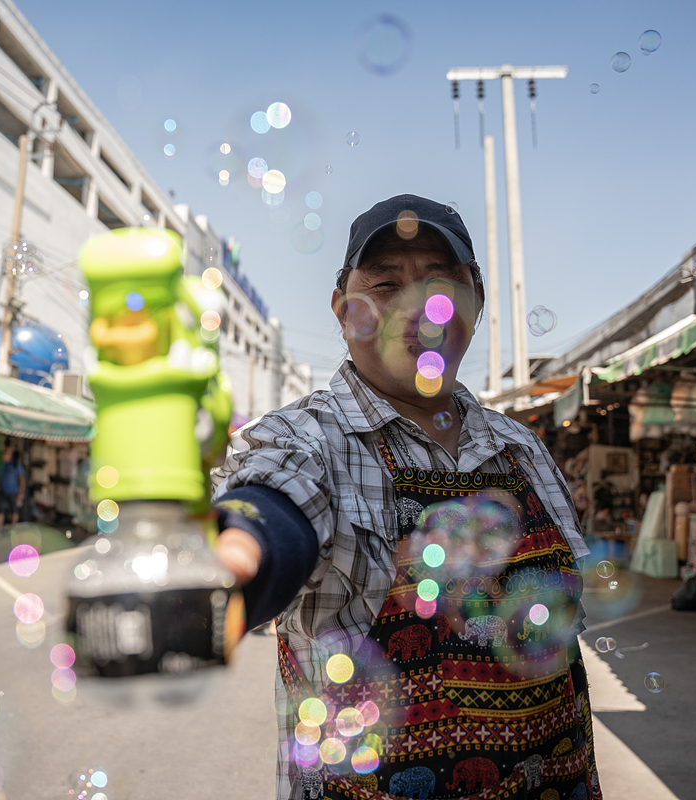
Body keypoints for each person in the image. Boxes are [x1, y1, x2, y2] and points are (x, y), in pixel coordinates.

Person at [212, 195, 599, 800]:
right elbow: (273, 505)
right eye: (387, 284)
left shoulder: (520, 447)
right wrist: (233, 559)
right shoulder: (305, 439)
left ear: (476, 301)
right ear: (344, 311)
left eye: (442, 283)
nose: (416, 307)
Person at [0, 446, 26, 535]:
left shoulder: (16, 465)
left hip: (13, 492)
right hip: (2, 491)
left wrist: (21, 492)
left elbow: (21, 479)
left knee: (14, 511)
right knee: (0, 510)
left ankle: (13, 529)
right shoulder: (1, 465)